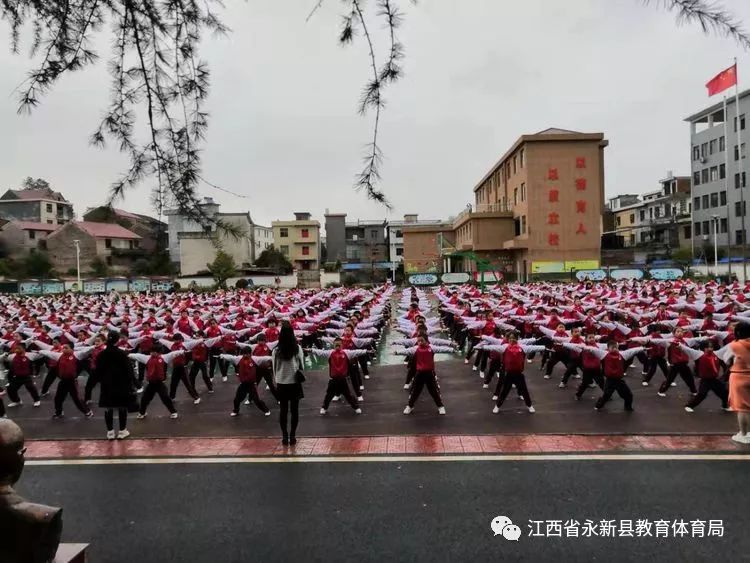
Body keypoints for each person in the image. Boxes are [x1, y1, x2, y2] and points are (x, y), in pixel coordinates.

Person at [395, 336, 454, 415]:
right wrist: (397, 352)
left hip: (429, 373)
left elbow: (441, 349)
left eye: (421, 341)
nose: (420, 342)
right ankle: (410, 406)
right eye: (418, 341)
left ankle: (440, 406)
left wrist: (452, 350)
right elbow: (407, 351)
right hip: (419, 373)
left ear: (426, 341)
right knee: (415, 391)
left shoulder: (431, 348)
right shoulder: (416, 348)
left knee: (433, 391)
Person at [96, 332, 138, 440]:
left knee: (108, 409)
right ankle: (122, 431)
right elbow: (129, 371)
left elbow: (97, 371)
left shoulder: (101, 354)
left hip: (106, 385)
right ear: (117, 340)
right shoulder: (122, 354)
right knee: (122, 408)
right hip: (121, 385)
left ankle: (110, 432)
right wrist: (134, 384)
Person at [311, 338, 365, 415]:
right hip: (333, 379)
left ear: (341, 345)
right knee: (329, 395)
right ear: (333, 345)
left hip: (343, 379)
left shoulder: (346, 353)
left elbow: (356, 352)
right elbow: (320, 352)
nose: (337, 345)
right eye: (336, 344)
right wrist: (311, 350)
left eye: (339, 344)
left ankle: (356, 407)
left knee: (348, 395)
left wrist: (366, 351)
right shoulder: (330, 353)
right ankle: (324, 408)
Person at [272, 321, 305, 446]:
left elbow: (274, 368)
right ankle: (293, 435)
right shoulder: (297, 348)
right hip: (294, 382)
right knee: (294, 410)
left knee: (283, 410)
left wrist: (277, 379)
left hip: (281, 383)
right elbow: (301, 365)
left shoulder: (276, 350)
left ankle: (284, 436)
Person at [129, 350, 185, 419]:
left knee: (165, 398)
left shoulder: (164, 357)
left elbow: (172, 354)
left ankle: (174, 412)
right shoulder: (147, 358)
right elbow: (137, 356)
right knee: (144, 399)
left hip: (159, 383)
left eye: (153, 352)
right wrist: (128, 354)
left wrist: (182, 351)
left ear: (157, 352)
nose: (151, 353)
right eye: (151, 352)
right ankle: (142, 413)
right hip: (151, 383)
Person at [219, 350, 272, 417]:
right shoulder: (239, 359)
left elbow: (264, 358)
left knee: (256, 400)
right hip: (243, 384)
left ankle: (266, 410)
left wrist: (272, 357)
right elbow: (231, 357)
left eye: (247, 354)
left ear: (250, 354)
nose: (245, 355)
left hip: (251, 384)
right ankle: (236, 411)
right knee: (237, 399)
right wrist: (223, 356)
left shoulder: (254, 359)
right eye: (244, 354)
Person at [681, 341, 729, 413]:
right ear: (703, 348)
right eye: (707, 347)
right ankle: (689, 406)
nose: (710, 349)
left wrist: (737, 341)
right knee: (702, 394)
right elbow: (688, 350)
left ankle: (725, 406)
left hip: (714, 379)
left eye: (711, 347)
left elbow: (726, 348)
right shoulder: (699, 354)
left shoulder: (716, 354)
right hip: (705, 380)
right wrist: (680, 345)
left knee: (724, 393)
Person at [727, 322, 750, 443]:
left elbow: (726, 359)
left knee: (742, 408)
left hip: (739, 376)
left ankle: (744, 434)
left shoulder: (735, 345)